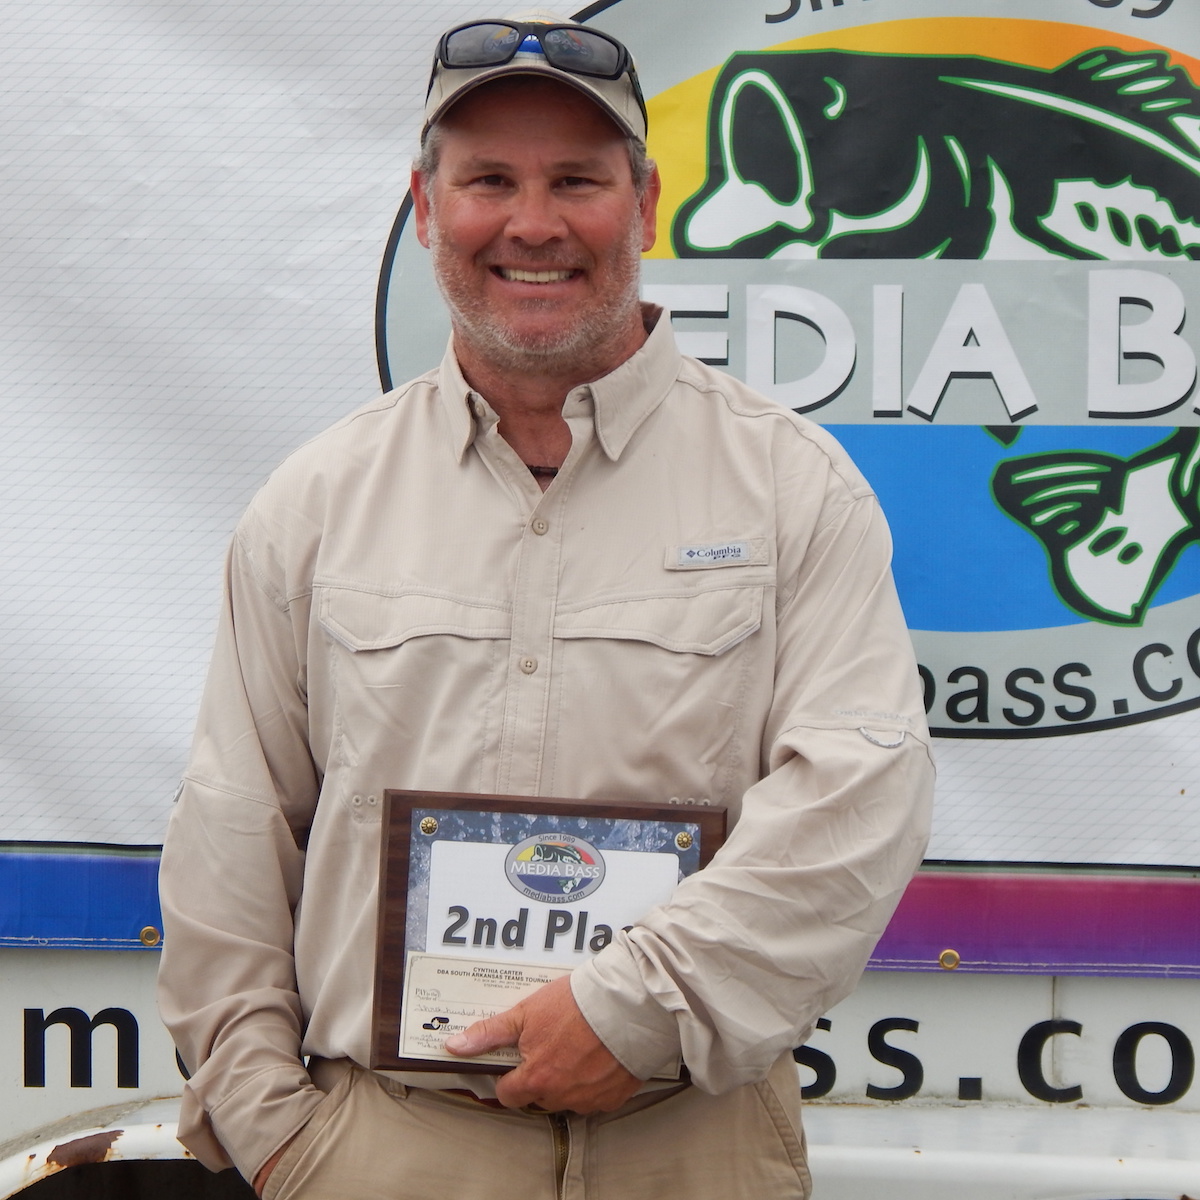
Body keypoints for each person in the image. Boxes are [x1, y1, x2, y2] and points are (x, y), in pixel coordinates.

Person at [158, 12, 934, 1200]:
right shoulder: (315, 502)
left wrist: (632, 1011)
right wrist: (273, 1131)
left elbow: (860, 800)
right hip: (387, 1150)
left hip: (692, 1147)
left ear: (646, 205)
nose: (532, 223)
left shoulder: (792, 490)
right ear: (426, 209)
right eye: (489, 182)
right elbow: (233, 821)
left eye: (577, 180)